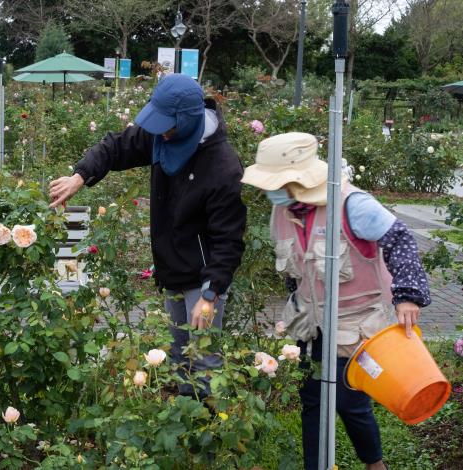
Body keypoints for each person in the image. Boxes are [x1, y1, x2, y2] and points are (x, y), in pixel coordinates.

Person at [48, 74, 247, 398]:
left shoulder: (222, 166)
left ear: (186, 121)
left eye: (166, 125)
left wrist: (210, 295)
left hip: (204, 276)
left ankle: (209, 438)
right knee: (180, 359)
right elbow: (116, 146)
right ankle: (185, 428)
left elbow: (229, 239)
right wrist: (80, 175)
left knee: (205, 362)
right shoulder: (162, 137)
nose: (158, 132)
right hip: (172, 268)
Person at [241, 132, 431, 470]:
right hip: (310, 325)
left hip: (355, 324)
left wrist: (408, 297)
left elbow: (401, 239)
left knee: (349, 400)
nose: (267, 190)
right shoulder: (282, 211)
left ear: (295, 180)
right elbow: (295, 268)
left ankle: (375, 465)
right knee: (312, 399)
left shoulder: (350, 204)